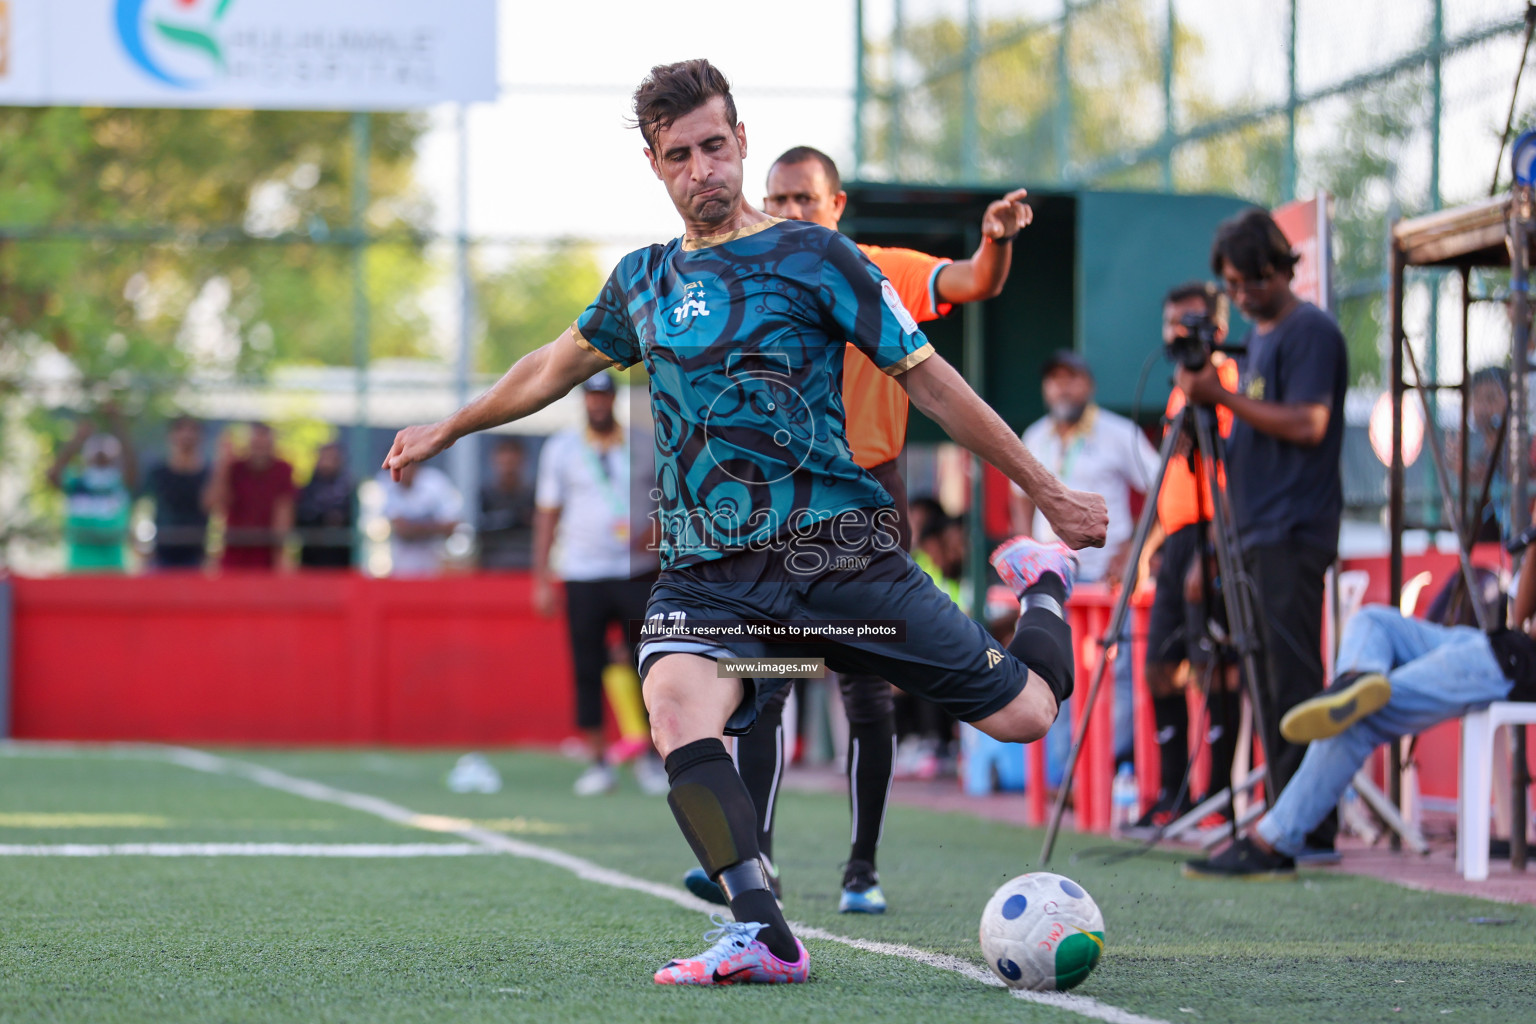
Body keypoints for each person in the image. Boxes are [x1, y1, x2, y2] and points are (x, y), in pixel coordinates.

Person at [381, 59, 1106, 987]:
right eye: (679, 154)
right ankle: (763, 929)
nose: (702, 170)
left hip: (836, 551)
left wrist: (1045, 489)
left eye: (715, 147)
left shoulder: (817, 257)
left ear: (741, 142)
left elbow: (927, 379)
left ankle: (1043, 583)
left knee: (1027, 715)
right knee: (677, 706)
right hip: (705, 571)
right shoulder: (641, 282)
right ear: (655, 164)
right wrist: (450, 426)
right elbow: (551, 365)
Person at [692, 145, 1031, 914]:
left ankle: (861, 870)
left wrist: (997, 241)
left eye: (805, 200)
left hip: (866, 502)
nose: (788, 214)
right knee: (766, 686)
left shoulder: (879, 268)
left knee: (865, 690)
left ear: (836, 207)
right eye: (776, 200)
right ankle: (756, 865)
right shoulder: (746, 280)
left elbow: (973, 281)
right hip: (780, 503)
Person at [1184, 545, 1536, 877]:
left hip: (1515, 664)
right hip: (1493, 645)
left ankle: (1272, 842)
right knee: (1373, 621)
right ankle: (1356, 679)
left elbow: (1525, 616)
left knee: (1356, 719)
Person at [1176, 208, 1348, 859]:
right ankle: (1284, 817)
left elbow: (1307, 423)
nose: (1244, 294)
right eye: (1235, 283)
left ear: (1281, 268)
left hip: (1291, 529)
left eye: (1254, 280)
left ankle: (1307, 827)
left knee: (1294, 680)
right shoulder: (1263, 337)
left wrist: (1221, 398)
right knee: (1266, 682)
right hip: (1252, 530)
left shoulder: (1311, 331)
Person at [1011, 349, 1160, 785]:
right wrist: (1027, 549)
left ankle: (1103, 768)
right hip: (1053, 581)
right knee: (1050, 673)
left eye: (1071, 379)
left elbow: (1160, 489)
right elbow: (1018, 495)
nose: (1062, 387)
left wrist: (1136, 550)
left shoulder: (1118, 433)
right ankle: (1068, 778)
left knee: (1122, 676)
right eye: (1054, 379)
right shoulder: (1035, 434)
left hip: (1106, 580)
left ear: (1089, 386)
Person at [1134, 282, 1242, 829]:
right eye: (1171, 322)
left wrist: (1216, 554)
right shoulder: (1180, 387)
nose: (1177, 332)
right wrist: (1144, 547)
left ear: (1216, 329)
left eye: (1189, 322)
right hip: (1176, 539)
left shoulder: (1224, 381)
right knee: (1160, 668)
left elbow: (1231, 475)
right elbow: (1172, 481)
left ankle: (1219, 796)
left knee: (1216, 669)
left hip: (1213, 537)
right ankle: (1173, 793)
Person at [532, 372, 665, 797]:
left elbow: (674, 497)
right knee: (587, 665)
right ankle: (597, 760)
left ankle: (650, 757)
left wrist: (660, 532)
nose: (598, 405)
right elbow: (547, 513)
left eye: (605, 397)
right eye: (591, 397)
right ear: (583, 401)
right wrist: (541, 576)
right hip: (582, 571)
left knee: (648, 665)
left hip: (637, 570)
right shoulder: (562, 449)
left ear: (614, 400)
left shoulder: (644, 443)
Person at [48, 410, 136, 574]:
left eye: (105, 450)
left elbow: (131, 464)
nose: (100, 454)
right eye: (96, 450)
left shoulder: (119, 483)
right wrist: (77, 440)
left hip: (113, 569)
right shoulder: (76, 482)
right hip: (78, 568)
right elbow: (53, 476)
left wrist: (117, 423)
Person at [205, 422, 295, 571]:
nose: (259, 448)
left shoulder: (283, 470)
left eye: (264, 443)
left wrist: (280, 557)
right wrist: (222, 466)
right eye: (255, 443)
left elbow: (283, 514)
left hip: (268, 557)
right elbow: (213, 504)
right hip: (234, 555)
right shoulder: (234, 468)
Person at [143, 416, 210, 570]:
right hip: (160, 556)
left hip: (197, 558)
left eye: (193, 430)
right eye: (181, 430)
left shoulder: (208, 474)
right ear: (171, 436)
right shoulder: (157, 473)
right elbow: (141, 506)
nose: (187, 435)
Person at [380, 458, 461, 577]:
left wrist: (414, 527)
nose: (403, 470)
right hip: (398, 568)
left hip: (436, 566)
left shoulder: (436, 482)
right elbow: (402, 531)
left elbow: (452, 526)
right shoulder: (385, 483)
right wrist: (434, 526)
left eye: (406, 464)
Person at [478, 436, 537, 570]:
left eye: (512, 461)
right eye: (504, 462)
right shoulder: (484, 494)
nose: (508, 467)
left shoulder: (535, 493)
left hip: (528, 559)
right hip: (493, 561)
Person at [295, 441, 354, 569]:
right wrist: (323, 518)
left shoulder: (348, 491)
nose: (328, 463)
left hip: (341, 562)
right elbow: (302, 516)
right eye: (325, 457)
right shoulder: (307, 491)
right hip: (312, 560)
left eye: (333, 458)